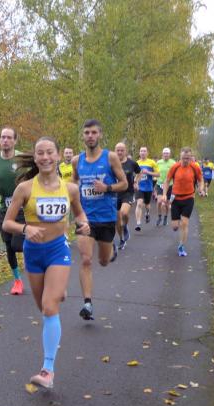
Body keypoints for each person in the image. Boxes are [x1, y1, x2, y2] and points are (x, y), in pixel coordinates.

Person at [2, 137, 90, 388]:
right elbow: (7, 223)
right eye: (40, 153)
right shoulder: (25, 189)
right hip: (33, 253)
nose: (45, 157)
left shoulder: (70, 189)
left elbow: (79, 213)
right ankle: (56, 289)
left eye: (50, 152)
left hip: (58, 250)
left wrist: (83, 223)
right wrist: (25, 229)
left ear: (58, 155)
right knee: (43, 307)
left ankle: (47, 370)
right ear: (35, 158)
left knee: (50, 307)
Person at [72, 119, 127, 320]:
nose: (90, 136)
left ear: (100, 135)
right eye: (87, 132)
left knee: (103, 261)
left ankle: (111, 250)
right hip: (85, 218)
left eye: (94, 132)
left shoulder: (110, 157)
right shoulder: (76, 161)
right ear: (83, 135)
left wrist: (107, 188)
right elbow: (74, 182)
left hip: (106, 217)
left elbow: (124, 183)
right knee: (86, 259)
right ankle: (87, 303)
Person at [0, 127, 25, 295]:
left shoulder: (22, 158)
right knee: (9, 246)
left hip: (23, 208)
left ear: (15, 140)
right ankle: (17, 281)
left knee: (18, 245)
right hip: (4, 208)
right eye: (3, 137)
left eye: (9, 137)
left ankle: (36, 262)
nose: (5, 140)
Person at [164, 147, 203, 257]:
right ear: (180, 157)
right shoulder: (175, 167)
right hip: (175, 198)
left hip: (189, 198)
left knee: (184, 223)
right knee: (175, 226)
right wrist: (164, 194)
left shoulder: (195, 167)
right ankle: (176, 226)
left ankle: (181, 246)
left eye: (188, 158)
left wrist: (201, 189)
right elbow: (167, 181)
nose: (186, 160)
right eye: (184, 158)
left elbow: (200, 179)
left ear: (191, 157)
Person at [114, 142, 140, 253]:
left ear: (126, 151)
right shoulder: (110, 163)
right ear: (115, 151)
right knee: (117, 220)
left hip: (127, 193)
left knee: (124, 213)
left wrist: (136, 181)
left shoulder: (131, 163)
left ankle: (125, 226)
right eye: (118, 150)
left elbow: (139, 172)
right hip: (114, 194)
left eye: (122, 150)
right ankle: (121, 239)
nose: (120, 152)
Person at [134, 146, 158, 232]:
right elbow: (135, 175)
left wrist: (148, 172)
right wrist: (135, 182)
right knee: (139, 204)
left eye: (144, 151)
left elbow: (158, 174)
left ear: (147, 153)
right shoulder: (136, 163)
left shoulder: (152, 162)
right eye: (141, 151)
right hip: (139, 187)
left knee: (147, 204)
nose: (143, 153)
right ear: (139, 153)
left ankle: (147, 213)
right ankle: (138, 223)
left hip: (148, 187)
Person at [155, 147, 175, 226]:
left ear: (169, 154)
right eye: (164, 153)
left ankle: (165, 217)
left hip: (169, 185)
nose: (166, 155)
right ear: (162, 154)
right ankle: (159, 217)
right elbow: (156, 172)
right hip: (160, 184)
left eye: (167, 153)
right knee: (159, 202)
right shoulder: (158, 162)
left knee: (166, 204)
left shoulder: (173, 163)